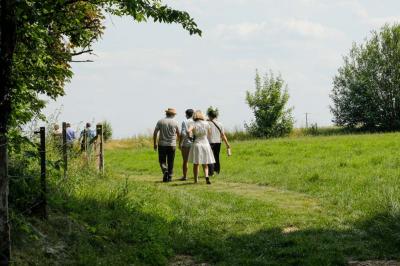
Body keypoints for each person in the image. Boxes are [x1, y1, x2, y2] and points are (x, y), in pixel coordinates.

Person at [187, 110, 215, 184]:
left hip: (197, 143)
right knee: (205, 162)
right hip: (205, 143)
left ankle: (196, 180)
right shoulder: (206, 123)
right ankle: (206, 177)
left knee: (196, 163)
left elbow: (188, 130)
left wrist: (190, 136)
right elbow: (209, 133)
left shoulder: (193, 123)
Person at [153, 108, 180, 182]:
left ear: (166, 114)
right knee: (171, 161)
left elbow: (155, 132)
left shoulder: (160, 121)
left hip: (162, 144)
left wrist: (155, 143)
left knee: (162, 161)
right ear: (172, 114)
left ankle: (165, 170)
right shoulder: (175, 122)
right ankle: (170, 177)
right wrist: (176, 141)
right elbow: (178, 133)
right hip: (172, 144)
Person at [207, 107, 231, 176]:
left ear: (209, 116)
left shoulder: (207, 123)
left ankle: (211, 172)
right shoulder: (220, 124)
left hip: (210, 142)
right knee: (216, 157)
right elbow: (223, 135)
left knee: (210, 157)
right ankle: (217, 171)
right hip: (218, 142)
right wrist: (227, 144)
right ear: (216, 116)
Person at [178, 109, 194, 181]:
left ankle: (185, 176)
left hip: (186, 143)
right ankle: (195, 176)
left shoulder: (184, 122)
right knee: (196, 161)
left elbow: (183, 133)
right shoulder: (195, 121)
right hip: (195, 143)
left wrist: (180, 143)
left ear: (186, 114)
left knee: (185, 161)